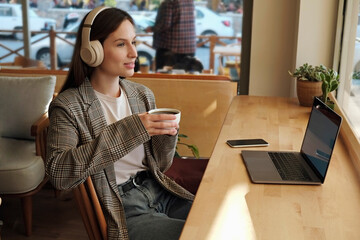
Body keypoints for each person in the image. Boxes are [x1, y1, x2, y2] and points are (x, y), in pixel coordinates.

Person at [45, 6, 193, 240]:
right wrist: (133, 130)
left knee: (218, 221)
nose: (134, 53)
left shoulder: (142, 95)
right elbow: (59, 173)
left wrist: (167, 136)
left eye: (134, 42)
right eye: (121, 44)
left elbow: (162, 165)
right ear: (92, 50)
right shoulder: (69, 106)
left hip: (159, 190)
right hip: (124, 208)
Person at [146, 0, 196, 71]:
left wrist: (151, 29)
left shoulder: (169, 3)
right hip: (189, 48)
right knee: (185, 77)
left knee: (164, 77)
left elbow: (164, 24)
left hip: (170, 48)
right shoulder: (190, 2)